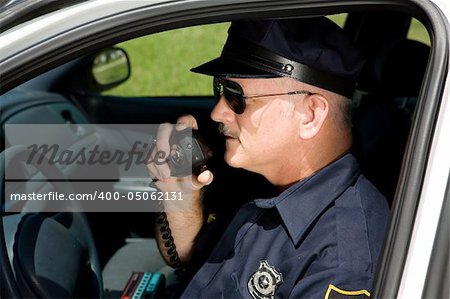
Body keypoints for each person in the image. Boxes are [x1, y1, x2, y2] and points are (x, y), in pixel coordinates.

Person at [147, 17, 390, 299]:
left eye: (237, 98)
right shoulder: (262, 173)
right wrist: (179, 195)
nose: (217, 113)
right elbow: (190, 258)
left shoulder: (342, 260)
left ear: (310, 115)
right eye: (221, 89)